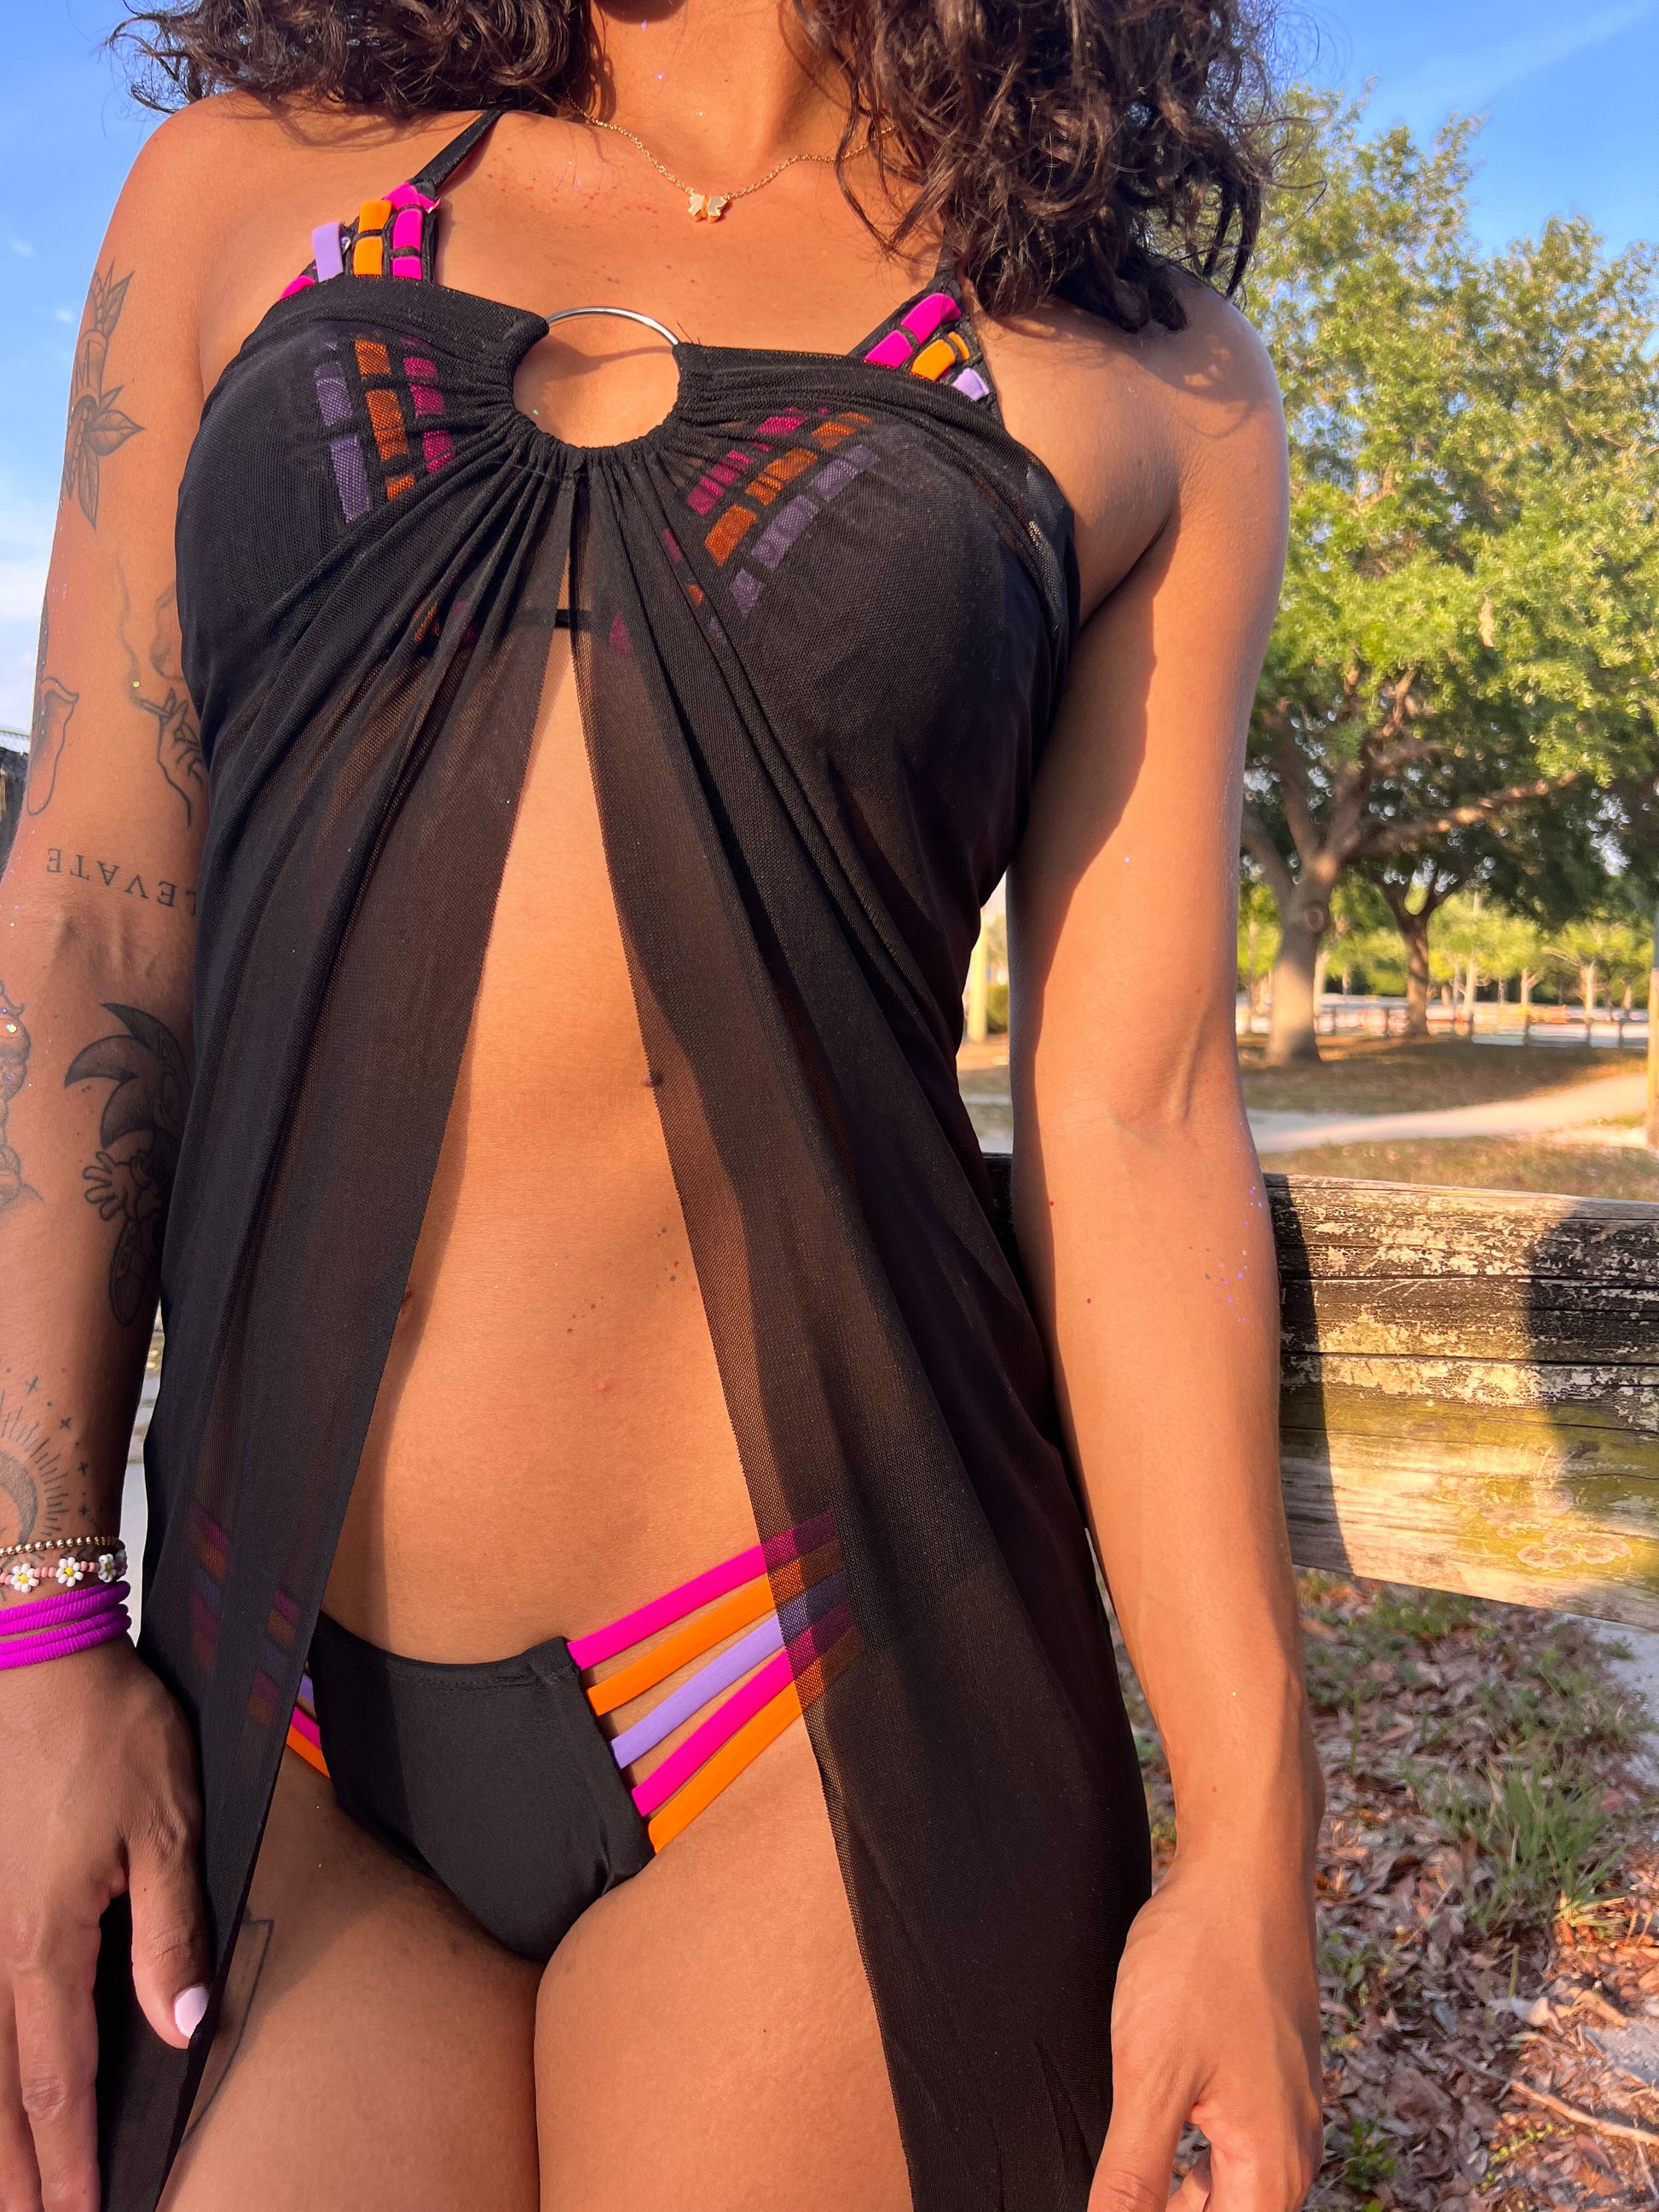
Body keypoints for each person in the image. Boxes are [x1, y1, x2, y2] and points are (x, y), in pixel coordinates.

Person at [0, 0, 1323, 2204]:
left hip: (826, 1701)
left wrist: (1253, 1835)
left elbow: (1138, 1111)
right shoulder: (244, 190)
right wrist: (35, 1628)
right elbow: (88, 916)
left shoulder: (1138, 370)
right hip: (275, 1719)